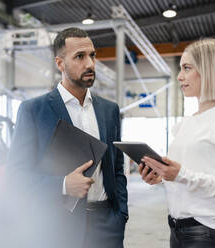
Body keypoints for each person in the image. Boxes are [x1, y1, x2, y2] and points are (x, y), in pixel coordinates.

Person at [7, 27, 128, 248]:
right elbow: (16, 176)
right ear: (60, 63)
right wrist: (63, 185)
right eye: (80, 57)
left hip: (106, 227)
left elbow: (117, 169)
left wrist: (120, 215)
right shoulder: (34, 110)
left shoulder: (109, 110)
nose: (90, 64)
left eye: (92, 55)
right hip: (57, 227)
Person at [139, 38, 215, 248]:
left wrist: (182, 175)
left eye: (187, 68)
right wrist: (161, 177)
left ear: (209, 71)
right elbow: (189, 175)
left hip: (209, 234)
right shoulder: (185, 124)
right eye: (181, 69)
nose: (179, 76)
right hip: (177, 230)